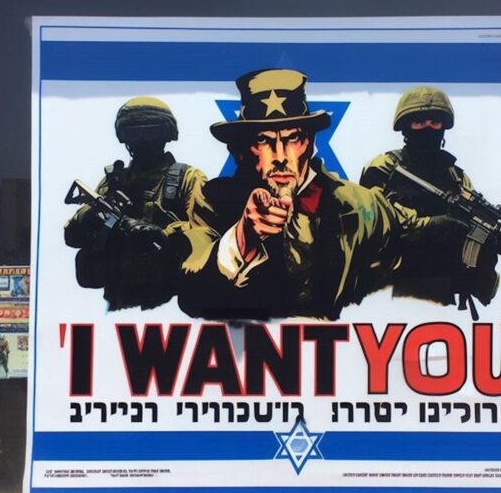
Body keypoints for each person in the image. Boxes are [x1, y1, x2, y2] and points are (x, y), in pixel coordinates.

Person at [173, 69, 425, 320]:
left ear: (310, 143)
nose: (281, 157)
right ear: (242, 151)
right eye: (263, 140)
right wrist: (243, 238)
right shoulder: (212, 200)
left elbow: (393, 294)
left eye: (293, 138)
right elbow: (191, 293)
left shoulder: (365, 207)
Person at [360, 86, 498, 310]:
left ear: (444, 126)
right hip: (391, 286)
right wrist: (432, 225)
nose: (428, 128)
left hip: (443, 290)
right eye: (419, 122)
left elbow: (474, 228)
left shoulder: (457, 177)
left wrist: (489, 249)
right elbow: (370, 216)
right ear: (406, 126)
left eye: (434, 122)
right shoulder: (384, 166)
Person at [64, 96, 206, 310]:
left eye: (150, 133)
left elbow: (208, 235)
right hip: (117, 300)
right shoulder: (114, 181)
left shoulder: (188, 178)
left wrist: (163, 235)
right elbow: (71, 236)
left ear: (166, 134)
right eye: (133, 133)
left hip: (169, 303)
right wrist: (89, 216)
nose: (142, 141)